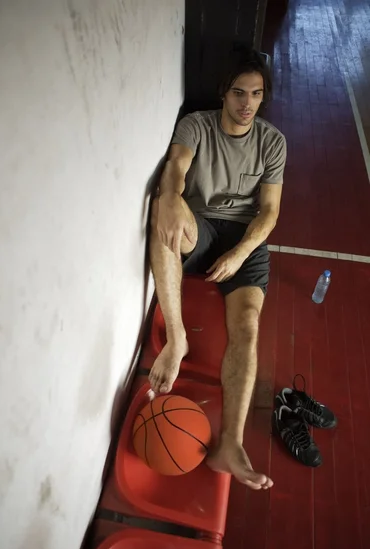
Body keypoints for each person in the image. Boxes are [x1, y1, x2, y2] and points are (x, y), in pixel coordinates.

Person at [148, 45, 286, 491]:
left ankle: (230, 442)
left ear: (264, 97)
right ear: (224, 93)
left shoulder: (272, 142)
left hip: (245, 237)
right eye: (239, 93)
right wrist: (170, 196)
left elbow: (268, 212)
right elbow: (177, 166)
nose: (247, 104)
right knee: (162, 216)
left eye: (257, 94)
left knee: (247, 324)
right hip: (201, 224)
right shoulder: (198, 125)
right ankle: (178, 337)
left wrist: (242, 253)